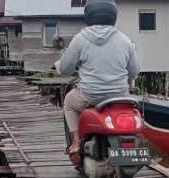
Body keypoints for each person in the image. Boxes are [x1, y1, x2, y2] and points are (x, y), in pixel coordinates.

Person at [55, 0, 140, 154]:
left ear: (89, 14)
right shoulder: (125, 40)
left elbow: (66, 68)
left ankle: (76, 141)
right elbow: (133, 72)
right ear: (113, 15)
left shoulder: (80, 38)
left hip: (90, 95)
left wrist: (58, 66)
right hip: (119, 95)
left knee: (68, 103)